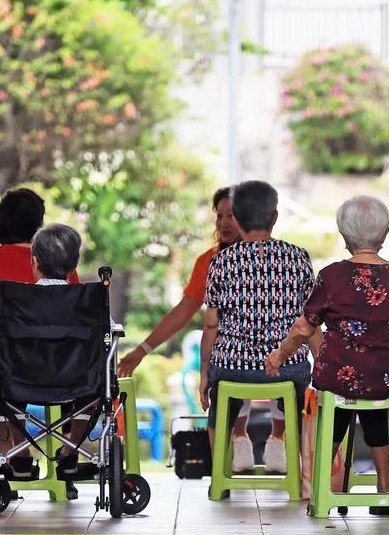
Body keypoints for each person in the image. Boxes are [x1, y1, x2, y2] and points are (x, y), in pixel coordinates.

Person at [266, 196, 389, 513]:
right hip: (387, 377)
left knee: (340, 399)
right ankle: (384, 488)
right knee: (375, 402)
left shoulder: (332, 276)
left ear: (344, 236)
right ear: (384, 235)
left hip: (338, 376)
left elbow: (304, 328)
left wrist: (278, 355)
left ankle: (322, 488)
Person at [116, 187, 286, 456]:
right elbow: (183, 312)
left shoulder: (274, 259)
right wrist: (141, 351)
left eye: (231, 215)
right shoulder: (210, 261)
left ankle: (269, 442)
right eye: (219, 216)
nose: (223, 223)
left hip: (260, 360)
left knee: (230, 374)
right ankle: (239, 448)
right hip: (247, 361)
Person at [199, 180, 315, 474]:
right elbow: (309, 323)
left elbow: (211, 324)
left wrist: (204, 375)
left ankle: (219, 477)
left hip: (232, 367)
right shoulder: (298, 257)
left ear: (235, 218)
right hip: (288, 367)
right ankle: (301, 472)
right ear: (275, 217)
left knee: (218, 412)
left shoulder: (222, 261)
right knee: (298, 398)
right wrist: (323, 364)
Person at [0, 224, 101, 479]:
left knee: (1, 388)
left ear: (34, 262)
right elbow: (112, 330)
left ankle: (20, 455)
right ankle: (70, 450)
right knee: (95, 387)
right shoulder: (88, 301)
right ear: (74, 267)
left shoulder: (11, 299)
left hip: (20, 381)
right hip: (77, 383)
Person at [0, 188, 78, 320]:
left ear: (0, 224)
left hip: (1, 339)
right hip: (56, 339)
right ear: (39, 225)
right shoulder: (62, 263)